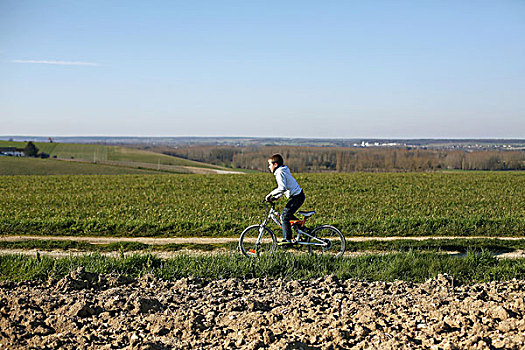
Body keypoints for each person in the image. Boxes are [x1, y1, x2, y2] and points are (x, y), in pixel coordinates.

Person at [265, 154, 305, 245]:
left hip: (297, 197)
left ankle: (287, 239)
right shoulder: (283, 170)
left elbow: (282, 187)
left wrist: (270, 195)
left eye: (270, 164)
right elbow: (285, 187)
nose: (269, 167)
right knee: (287, 215)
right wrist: (276, 197)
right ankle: (303, 231)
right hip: (298, 196)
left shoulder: (279, 172)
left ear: (275, 164)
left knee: (284, 216)